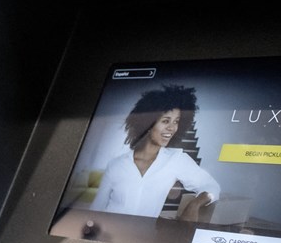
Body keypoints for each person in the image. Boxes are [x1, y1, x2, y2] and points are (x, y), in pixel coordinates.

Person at [87, 85, 220, 221]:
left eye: (176, 122)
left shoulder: (176, 159)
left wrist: (195, 204)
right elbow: (97, 208)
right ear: (148, 124)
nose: (172, 128)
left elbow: (212, 187)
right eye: (165, 121)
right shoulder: (116, 164)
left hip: (142, 237)